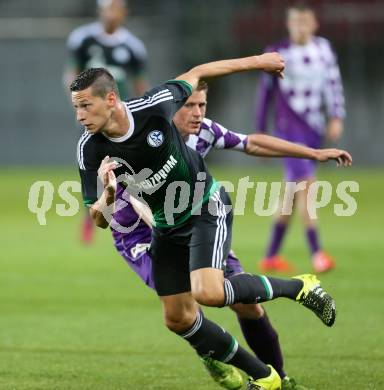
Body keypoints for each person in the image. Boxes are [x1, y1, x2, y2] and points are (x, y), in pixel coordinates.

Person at [71, 58, 350, 389]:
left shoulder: (157, 107)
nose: (79, 116)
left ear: (111, 99)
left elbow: (200, 74)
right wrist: (108, 195)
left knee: (215, 294)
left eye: (85, 106)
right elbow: (99, 219)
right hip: (158, 229)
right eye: (77, 107)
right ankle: (264, 377)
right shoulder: (90, 150)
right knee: (177, 317)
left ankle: (298, 289)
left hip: (206, 208)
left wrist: (260, 62)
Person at [255, 2, 346, 274]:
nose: (300, 27)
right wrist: (260, 130)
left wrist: (336, 116)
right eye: (296, 22)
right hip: (287, 126)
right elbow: (265, 94)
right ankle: (317, 252)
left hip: (313, 126)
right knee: (307, 185)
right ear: (288, 24)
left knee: (291, 193)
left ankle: (270, 255)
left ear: (314, 24)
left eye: (305, 22)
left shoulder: (324, 50)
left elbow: (333, 83)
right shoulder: (276, 53)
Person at [64, 0, 149, 244]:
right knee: (89, 163)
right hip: (95, 116)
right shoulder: (82, 39)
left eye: (116, 8)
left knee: (129, 168)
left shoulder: (133, 46)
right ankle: (89, 217)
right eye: (107, 8)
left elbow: (141, 85)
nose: (111, 13)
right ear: (100, 10)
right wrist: (80, 106)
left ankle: (137, 213)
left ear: (124, 12)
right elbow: (72, 73)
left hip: (121, 118)